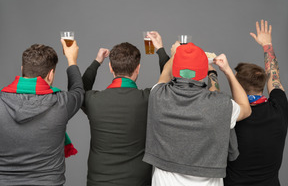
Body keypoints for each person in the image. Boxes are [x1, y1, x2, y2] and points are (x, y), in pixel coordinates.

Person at [143, 41, 252, 186]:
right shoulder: (221, 105)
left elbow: (164, 74)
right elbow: (246, 108)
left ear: (175, 68)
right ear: (203, 73)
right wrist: (227, 71)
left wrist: (176, 55)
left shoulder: (157, 96)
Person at [82, 31, 170, 186]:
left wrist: (96, 62)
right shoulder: (148, 99)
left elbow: (77, 91)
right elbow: (172, 85)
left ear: (110, 67)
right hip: (138, 181)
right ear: (138, 68)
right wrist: (160, 49)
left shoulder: (93, 100)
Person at [0, 40, 84, 186]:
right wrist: (72, 59)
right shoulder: (61, 103)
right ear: (50, 74)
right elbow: (78, 91)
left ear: (22, 69)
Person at [224, 20, 288, 186]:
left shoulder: (229, 116)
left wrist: (220, 72)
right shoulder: (279, 109)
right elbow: (274, 78)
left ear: (238, 87)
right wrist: (267, 44)